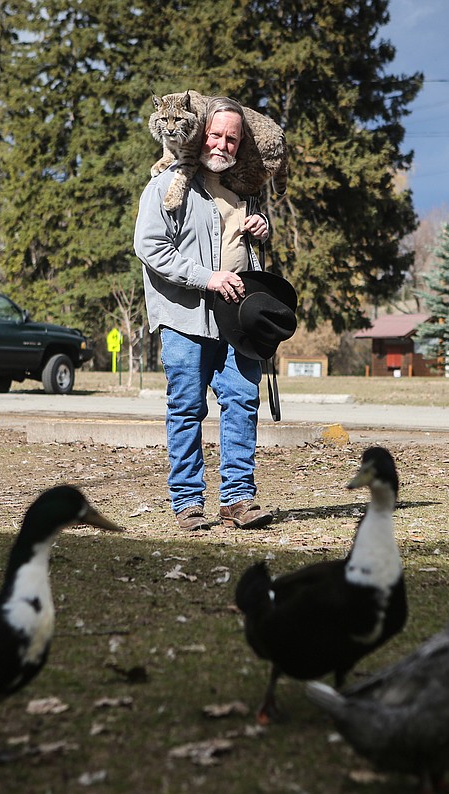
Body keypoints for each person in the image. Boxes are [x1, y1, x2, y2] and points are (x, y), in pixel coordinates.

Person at [134, 95, 276, 532]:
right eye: (216, 135)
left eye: (232, 139)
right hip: (184, 317)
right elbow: (150, 248)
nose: (223, 145)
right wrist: (206, 277)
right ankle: (188, 503)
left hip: (236, 321)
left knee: (242, 402)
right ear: (201, 134)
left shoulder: (243, 192)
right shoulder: (167, 187)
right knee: (187, 407)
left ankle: (237, 499)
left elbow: (245, 257)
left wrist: (261, 231)